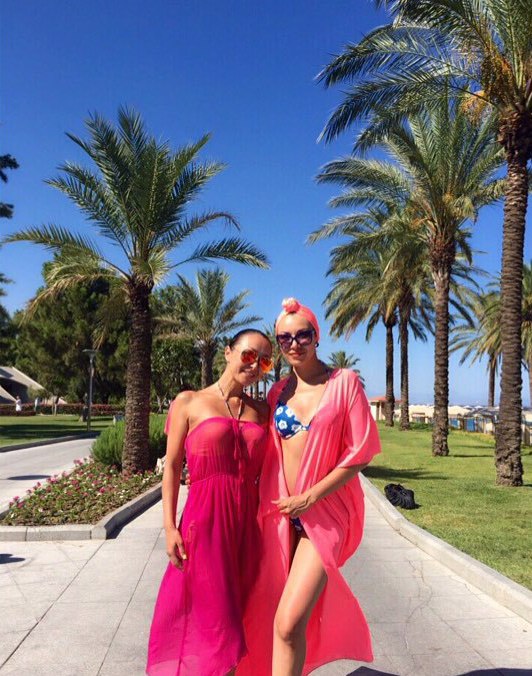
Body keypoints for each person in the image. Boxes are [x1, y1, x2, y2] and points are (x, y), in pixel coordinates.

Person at [237, 298, 381, 676]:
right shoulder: (277, 393)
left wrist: (311, 497)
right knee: (270, 614)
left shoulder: (343, 383)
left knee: (287, 622)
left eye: (303, 335)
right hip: (281, 516)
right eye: (285, 338)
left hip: (327, 512)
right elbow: (255, 442)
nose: (294, 344)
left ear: (317, 337)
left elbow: (361, 452)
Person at [146, 328, 274, 676]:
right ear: (228, 352)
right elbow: (172, 466)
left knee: (242, 615)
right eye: (249, 355)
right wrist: (169, 527)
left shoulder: (262, 411)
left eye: (264, 362)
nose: (255, 366)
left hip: (249, 529)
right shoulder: (189, 402)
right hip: (204, 526)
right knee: (217, 622)